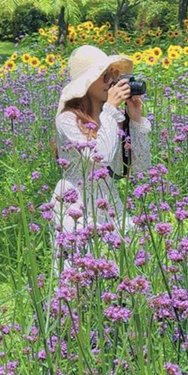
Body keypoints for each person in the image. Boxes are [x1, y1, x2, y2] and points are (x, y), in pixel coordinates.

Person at [50, 45, 152, 260]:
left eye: (114, 76)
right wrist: (112, 109)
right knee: (79, 279)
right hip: (76, 204)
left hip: (109, 202)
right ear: (87, 83)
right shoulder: (68, 119)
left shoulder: (111, 118)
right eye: (105, 76)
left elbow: (141, 166)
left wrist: (135, 120)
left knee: (122, 271)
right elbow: (100, 157)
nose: (112, 82)